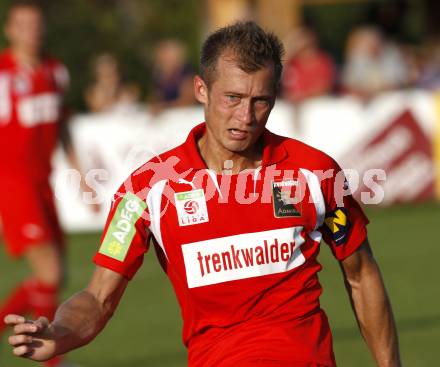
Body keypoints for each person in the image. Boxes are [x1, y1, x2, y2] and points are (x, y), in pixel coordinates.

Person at [5, 21, 401, 367]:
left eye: (259, 101)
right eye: (232, 98)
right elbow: (98, 297)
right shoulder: (146, 190)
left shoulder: (316, 173)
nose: (245, 118)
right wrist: (59, 332)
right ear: (201, 89)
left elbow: (361, 274)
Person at [0, 1, 87, 366]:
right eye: (22, 24)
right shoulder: (3, 74)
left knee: (56, 275)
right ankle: (52, 359)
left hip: (43, 182)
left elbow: (63, 124)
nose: (30, 31)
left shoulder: (54, 70)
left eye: (35, 24)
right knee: (48, 271)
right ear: (9, 29)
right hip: (12, 182)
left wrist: (78, 171)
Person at [282, 27, 335, 103]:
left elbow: (325, 87)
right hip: (290, 107)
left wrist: (303, 97)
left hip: (314, 106)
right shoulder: (292, 63)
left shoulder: (323, 61)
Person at [149, 39, 196, 114]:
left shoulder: (186, 71)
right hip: (170, 116)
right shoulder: (160, 74)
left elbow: (188, 101)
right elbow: (157, 97)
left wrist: (164, 107)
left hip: (188, 115)